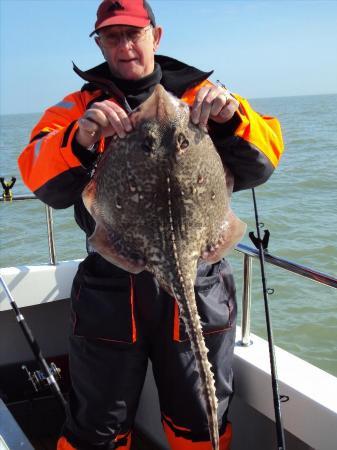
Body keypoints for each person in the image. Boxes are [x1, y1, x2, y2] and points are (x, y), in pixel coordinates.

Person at [18, 1, 284, 449]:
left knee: (201, 420)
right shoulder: (78, 106)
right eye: (111, 36)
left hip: (198, 275)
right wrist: (81, 138)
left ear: (155, 37)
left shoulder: (203, 94)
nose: (123, 47)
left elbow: (263, 161)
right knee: (97, 426)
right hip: (112, 284)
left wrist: (232, 118)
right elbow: (40, 178)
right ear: (99, 43)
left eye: (133, 34)